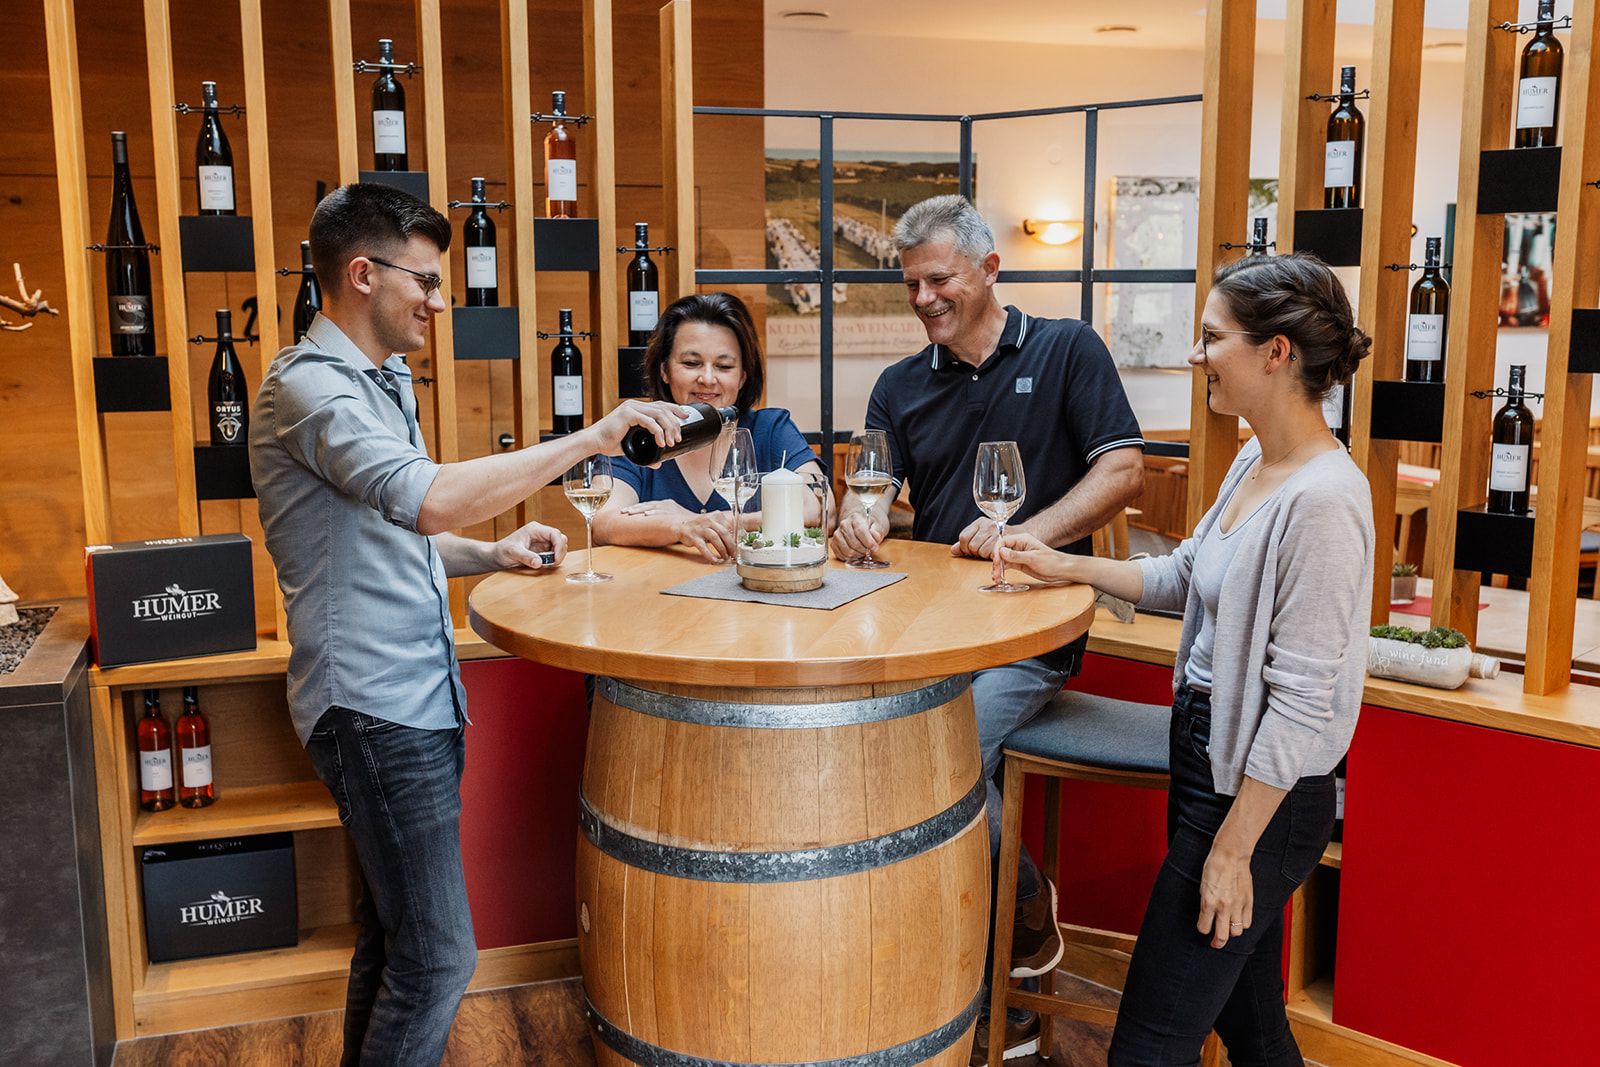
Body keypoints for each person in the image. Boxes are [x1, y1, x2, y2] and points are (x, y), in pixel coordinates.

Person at [249, 182, 688, 1066]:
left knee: (395, 942)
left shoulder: (381, 383)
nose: (443, 302)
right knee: (443, 958)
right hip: (373, 707)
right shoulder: (307, 390)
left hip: (414, 697)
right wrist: (589, 437)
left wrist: (491, 555)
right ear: (363, 274)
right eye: (427, 282)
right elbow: (429, 498)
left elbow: (382, 541)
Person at [1000, 252, 1374, 1066]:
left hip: (1261, 802)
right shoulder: (1253, 459)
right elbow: (1181, 575)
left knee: (1148, 1043)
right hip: (1207, 760)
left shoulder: (1326, 501)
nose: (1196, 354)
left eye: (1212, 338)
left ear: (1277, 353)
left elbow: (1305, 701)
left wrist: (1234, 850)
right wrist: (1064, 563)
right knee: (1250, 1024)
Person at [829, 194, 1145, 1063]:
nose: (924, 299)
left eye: (940, 280)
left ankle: (1018, 939)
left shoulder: (1066, 348)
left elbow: (1122, 468)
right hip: (923, 626)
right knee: (877, 747)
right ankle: (958, 943)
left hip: (1027, 626)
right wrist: (860, 517)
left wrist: (1031, 532)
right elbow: (875, 492)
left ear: (990, 270)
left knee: (949, 752)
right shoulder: (898, 383)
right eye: (912, 285)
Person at [593, 292, 827, 561]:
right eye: (691, 363)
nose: (707, 378)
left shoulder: (771, 430)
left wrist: (716, 521)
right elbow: (603, 522)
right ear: (664, 371)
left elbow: (817, 508)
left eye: (723, 366)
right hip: (657, 597)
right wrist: (679, 526)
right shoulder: (639, 435)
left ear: (742, 377)